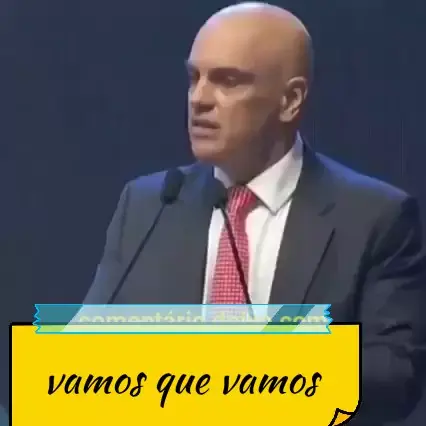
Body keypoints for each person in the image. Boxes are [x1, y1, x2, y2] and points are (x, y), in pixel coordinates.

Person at [83, 2, 426, 424]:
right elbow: (87, 345)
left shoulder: (374, 216)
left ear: (290, 100)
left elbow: (394, 375)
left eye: (228, 81)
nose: (199, 99)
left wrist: (255, 371)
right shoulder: (149, 204)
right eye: (194, 77)